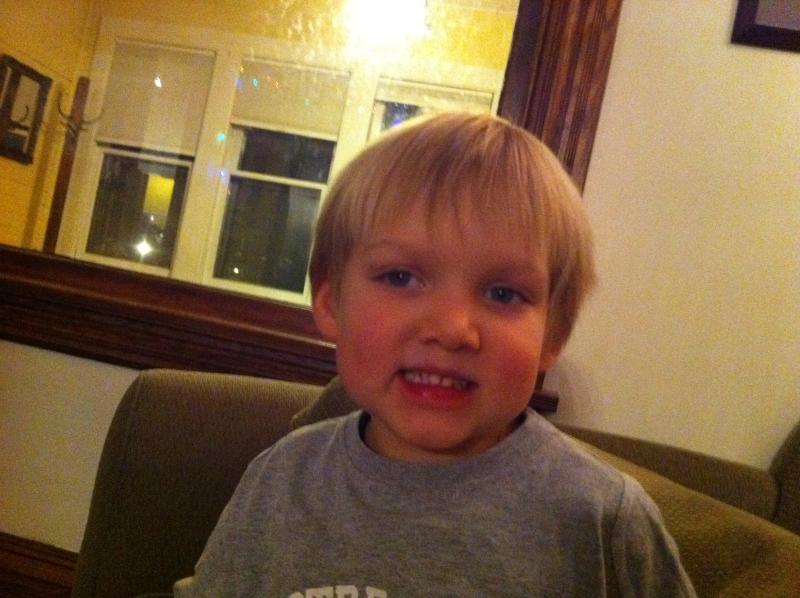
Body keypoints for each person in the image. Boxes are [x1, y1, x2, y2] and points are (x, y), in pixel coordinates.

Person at [175, 113, 696, 597]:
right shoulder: (279, 480)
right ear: (332, 304)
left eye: (503, 293)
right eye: (401, 277)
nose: (451, 330)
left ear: (553, 336)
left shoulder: (603, 520)